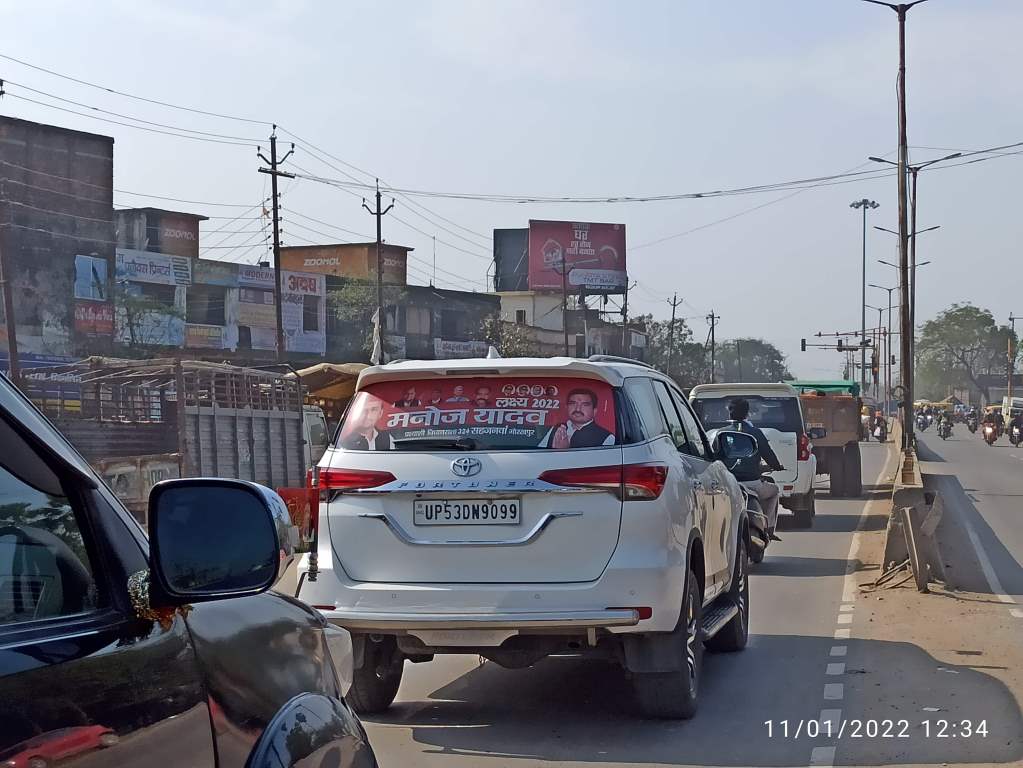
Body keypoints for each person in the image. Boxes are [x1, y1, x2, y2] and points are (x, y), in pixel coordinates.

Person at [724, 398, 786, 541]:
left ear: (729, 413)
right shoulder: (755, 432)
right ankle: (768, 527)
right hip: (753, 484)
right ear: (747, 414)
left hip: (729, 485)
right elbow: (768, 454)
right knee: (774, 490)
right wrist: (777, 466)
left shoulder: (721, 433)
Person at [538, 388, 615, 448]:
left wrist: (564, 451)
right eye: (573, 403)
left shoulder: (606, 438)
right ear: (566, 407)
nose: (578, 409)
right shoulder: (557, 428)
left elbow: (600, 466)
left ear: (594, 411)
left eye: (585, 405)